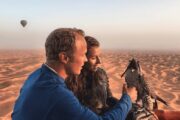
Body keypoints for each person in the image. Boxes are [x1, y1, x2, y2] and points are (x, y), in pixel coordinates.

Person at [12, 28, 137, 120]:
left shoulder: (35, 76)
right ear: (64, 58)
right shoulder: (57, 93)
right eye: (83, 55)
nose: (86, 60)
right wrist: (127, 99)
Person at [66, 36, 119, 114]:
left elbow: (108, 98)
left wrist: (124, 104)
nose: (99, 61)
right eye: (93, 58)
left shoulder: (101, 73)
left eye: (99, 56)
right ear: (83, 57)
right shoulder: (71, 78)